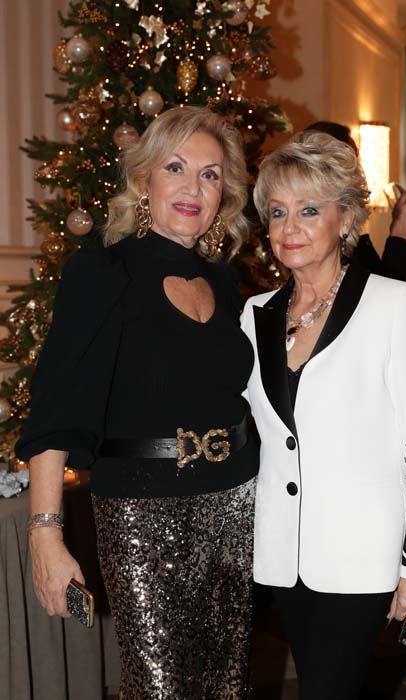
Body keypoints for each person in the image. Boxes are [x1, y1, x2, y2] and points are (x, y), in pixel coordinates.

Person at [16, 106, 260, 699]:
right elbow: (56, 412)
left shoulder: (227, 282)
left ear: (224, 194)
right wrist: (45, 534)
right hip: (142, 512)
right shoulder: (103, 273)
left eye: (209, 174)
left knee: (226, 683)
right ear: (144, 179)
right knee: (157, 685)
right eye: (175, 168)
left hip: (237, 504)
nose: (192, 187)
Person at [240, 131, 406, 699]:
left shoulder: (394, 303)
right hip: (282, 554)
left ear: (347, 219)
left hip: (362, 554)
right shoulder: (255, 314)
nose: (289, 227)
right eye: (277, 212)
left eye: (309, 210)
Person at [306, 120, 406, 278]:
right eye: (351, 163)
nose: (358, 172)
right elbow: (380, 291)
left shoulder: (350, 234)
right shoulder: (318, 230)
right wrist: (400, 236)